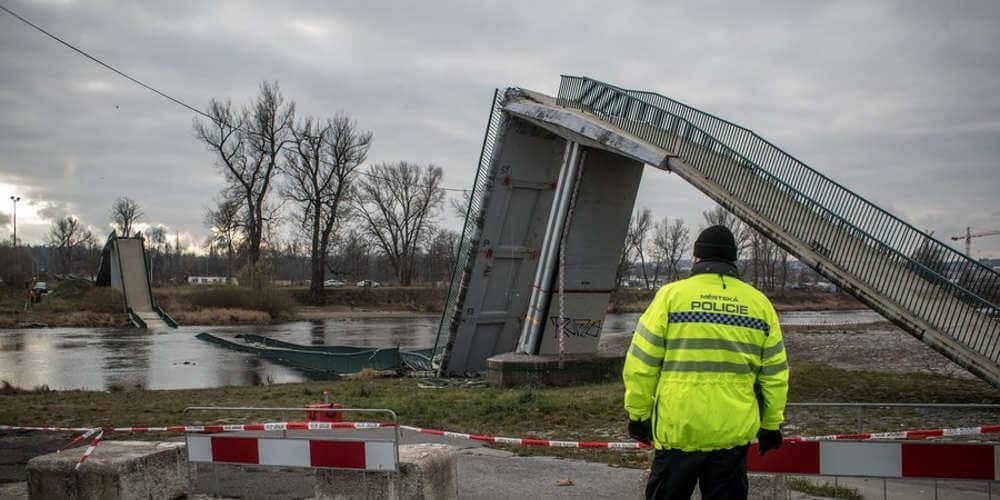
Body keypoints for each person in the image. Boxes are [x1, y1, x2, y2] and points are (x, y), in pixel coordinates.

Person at [623, 225, 789, 499]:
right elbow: (775, 374)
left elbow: (642, 362)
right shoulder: (759, 304)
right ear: (733, 259)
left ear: (697, 256)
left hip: (679, 430)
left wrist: (638, 414)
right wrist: (771, 425)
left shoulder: (670, 297)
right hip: (732, 434)